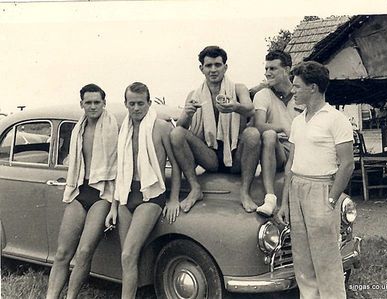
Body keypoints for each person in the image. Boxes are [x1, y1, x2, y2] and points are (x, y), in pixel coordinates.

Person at [277, 61, 354, 299]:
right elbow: (291, 164)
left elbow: (347, 164)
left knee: (326, 258)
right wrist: (284, 203)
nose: (293, 91)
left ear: (313, 87)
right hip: (297, 189)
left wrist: (331, 200)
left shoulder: (336, 119)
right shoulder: (298, 121)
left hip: (322, 189)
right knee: (302, 258)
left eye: (297, 86)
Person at [105, 82, 180, 298]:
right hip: (125, 196)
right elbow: (120, 169)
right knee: (127, 257)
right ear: (126, 104)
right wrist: (113, 206)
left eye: (140, 103)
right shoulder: (124, 129)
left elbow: (176, 165)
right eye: (132, 104)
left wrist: (173, 199)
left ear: (149, 102)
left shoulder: (162, 127)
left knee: (129, 255)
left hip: (151, 196)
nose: (136, 108)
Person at [47, 84, 118, 299]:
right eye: (88, 102)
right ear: (82, 104)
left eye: (97, 102)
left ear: (104, 103)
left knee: (84, 252)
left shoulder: (114, 126)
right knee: (61, 254)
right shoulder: (78, 128)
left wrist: (114, 206)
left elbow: (121, 168)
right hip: (80, 191)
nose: (93, 106)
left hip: (102, 193)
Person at [170, 45, 260, 213]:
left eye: (218, 65)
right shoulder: (194, 94)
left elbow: (250, 109)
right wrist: (188, 114)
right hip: (210, 156)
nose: (213, 69)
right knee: (176, 133)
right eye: (208, 65)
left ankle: (245, 193)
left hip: (237, 155)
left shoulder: (238, 89)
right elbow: (181, 128)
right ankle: (195, 188)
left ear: (225, 67)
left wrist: (235, 107)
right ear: (201, 68)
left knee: (253, 134)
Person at [253, 50, 304, 216]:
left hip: (300, 149)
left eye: (273, 68)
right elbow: (258, 125)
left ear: (287, 69)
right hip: (276, 148)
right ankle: (270, 198)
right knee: (268, 135)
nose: (268, 73)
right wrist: (281, 128)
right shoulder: (262, 95)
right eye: (266, 68)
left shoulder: (301, 94)